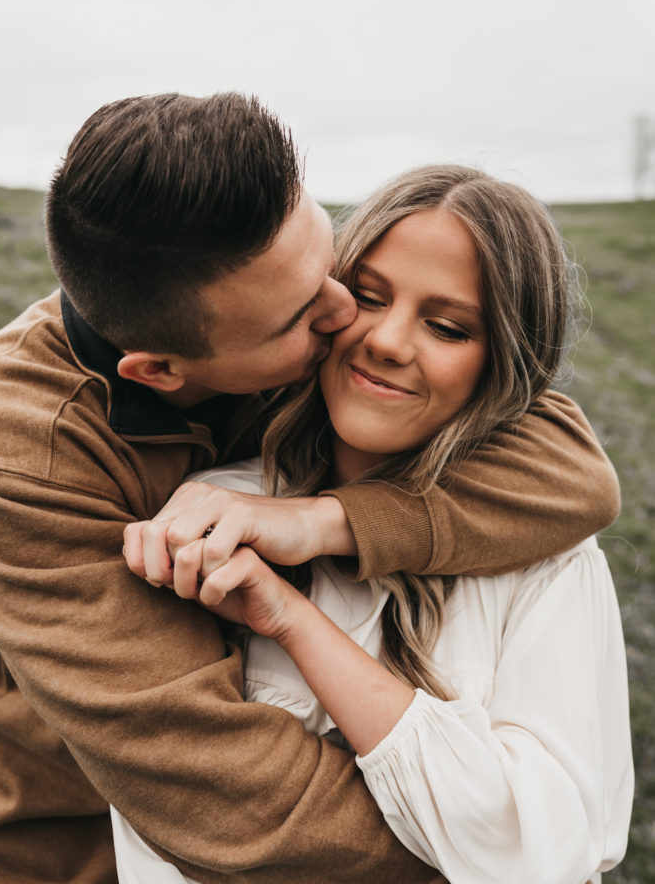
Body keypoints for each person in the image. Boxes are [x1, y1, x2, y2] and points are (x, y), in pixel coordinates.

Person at [0, 95, 620, 884]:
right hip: (58, 853)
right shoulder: (16, 461)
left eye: (331, 266)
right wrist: (494, 860)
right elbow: (219, 790)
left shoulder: (277, 313)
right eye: (307, 314)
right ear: (164, 374)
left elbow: (573, 468)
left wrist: (322, 523)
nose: (352, 320)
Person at [119, 165, 633, 884]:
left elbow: (540, 850)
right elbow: (163, 825)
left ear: (501, 368)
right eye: (367, 298)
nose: (388, 341)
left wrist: (295, 620)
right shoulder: (211, 510)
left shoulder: (546, 556)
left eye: (448, 327)